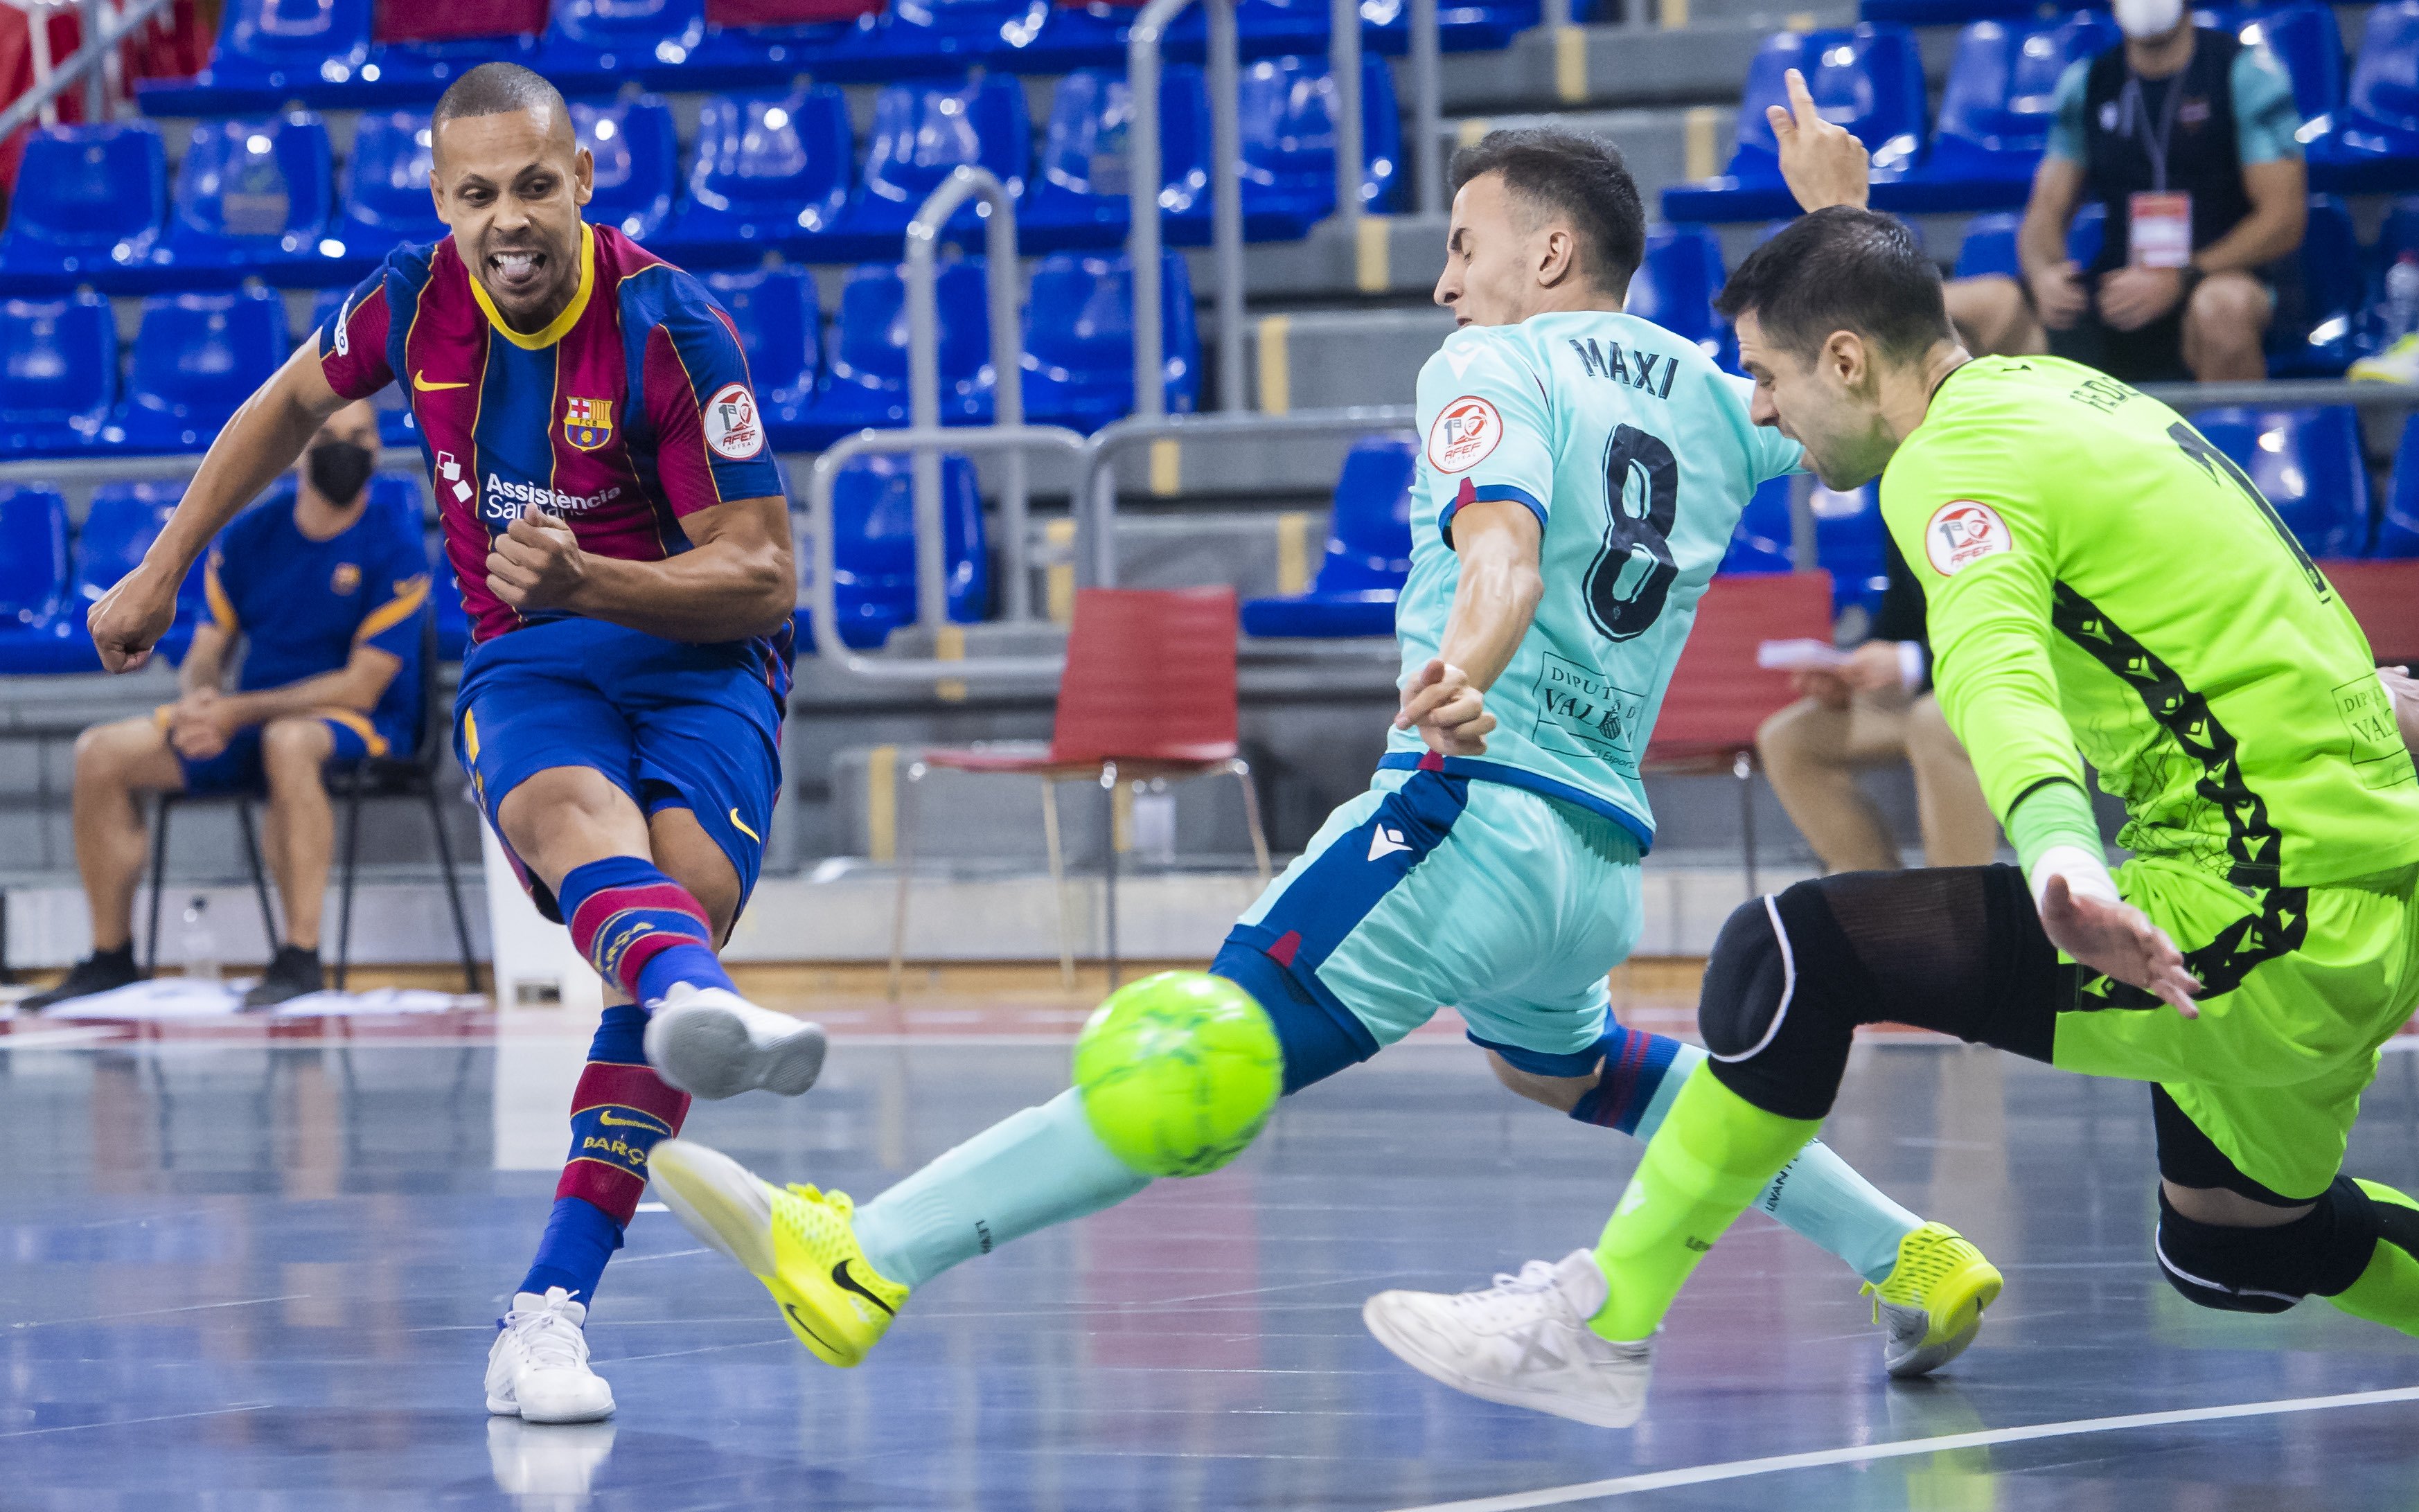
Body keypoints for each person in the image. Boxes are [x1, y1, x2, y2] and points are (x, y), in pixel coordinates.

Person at [638, 112, 2005, 1399]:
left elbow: (1504, 553)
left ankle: (871, 1253)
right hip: (1594, 850)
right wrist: (1848, 216)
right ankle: (1913, 1251)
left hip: (1465, 807)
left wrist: (1459, 675)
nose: (1440, 289)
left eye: (1462, 249)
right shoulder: (1726, 400)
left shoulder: (1493, 361)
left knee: (1202, 1043)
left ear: (1548, 254)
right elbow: (1884, 376)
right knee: (1568, 1064)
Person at [1363, 87, 2419, 1430]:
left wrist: (2050, 847)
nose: (1764, 412)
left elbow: (1993, 667)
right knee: (2237, 1240)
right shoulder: (2049, 390)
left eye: (1770, 378)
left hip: (2259, 899)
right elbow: (1916, 329)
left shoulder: (1940, 473)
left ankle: (1600, 1320)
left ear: (1848, 364)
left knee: (1797, 951)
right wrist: (1846, 220)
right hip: (2344, 877)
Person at [84, 62, 826, 1426]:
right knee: (578, 828)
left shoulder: (676, 325)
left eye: (534, 185)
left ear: (583, 181)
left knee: (675, 901)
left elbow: (769, 573)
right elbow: (279, 408)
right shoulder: (410, 301)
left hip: (700, 657)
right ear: (442, 200)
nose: (509, 218)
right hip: (531, 661)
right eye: (477, 193)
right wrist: (164, 564)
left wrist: (595, 579)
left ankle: (555, 1288)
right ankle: (578, 1249)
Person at [27, 400, 425, 1013]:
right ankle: (111, 956)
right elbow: (207, 649)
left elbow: (361, 687)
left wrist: (236, 713)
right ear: (300, 449)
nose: (346, 447)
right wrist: (202, 702)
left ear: (378, 448)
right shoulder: (250, 536)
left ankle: (300, 956)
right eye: (329, 434)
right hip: (248, 716)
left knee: (288, 741)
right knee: (101, 753)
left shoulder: (396, 546)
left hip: (366, 725)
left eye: (361, 436)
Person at [1941, 0, 2305, 381]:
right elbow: (2045, 209)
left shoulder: (2245, 74)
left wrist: (2182, 276)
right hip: (2117, 291)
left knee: (2221, 307)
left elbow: (2283, 220)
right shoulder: (2087, 82)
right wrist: (2044, 275)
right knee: (1954, 307)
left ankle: (2227, 437)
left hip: (2215, 277)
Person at [1755, 533, 2001, 874]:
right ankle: (1873, 898)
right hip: (1935, 681)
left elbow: (2009, 620)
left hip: (2008, 681)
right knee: (1787, 738)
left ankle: (1956, 904)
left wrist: (1912, 660)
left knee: (1931, 722)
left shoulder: (1993, 493)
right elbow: (1902, 612)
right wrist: (1850, 671)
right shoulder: (1901, 493)